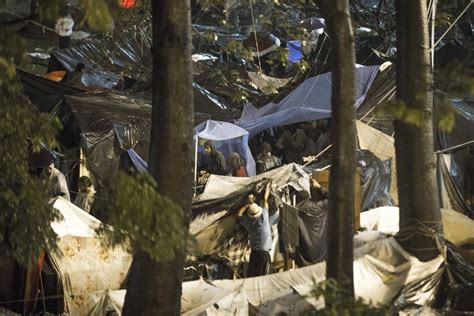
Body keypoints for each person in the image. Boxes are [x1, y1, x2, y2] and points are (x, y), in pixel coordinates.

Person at [237, 181, 273, 277]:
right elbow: (265, 200)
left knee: (253, 277)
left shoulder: (249, 223)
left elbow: (239, 214)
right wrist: (268, 187)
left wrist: (247, 204)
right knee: (264, 277)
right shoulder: (264, 218)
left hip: (254, 254)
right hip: (264, 254)